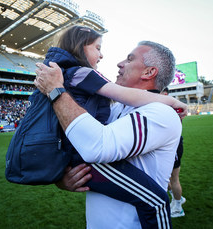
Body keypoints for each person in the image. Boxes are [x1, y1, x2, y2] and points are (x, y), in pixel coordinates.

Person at [35, 38, 185, 228]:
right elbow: (77, 146)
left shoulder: (161, 113)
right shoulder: (115, 109)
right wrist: (62, 178)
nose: (119, 63)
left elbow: (97, 147)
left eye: (130, 59)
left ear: (149, 72)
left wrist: (55, 90)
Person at [161, 87, 186, 218]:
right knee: (166, 179)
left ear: (164, 93)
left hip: (174, 146)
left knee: (174, 179)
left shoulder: (171, 107)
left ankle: (178, 207)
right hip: (169, 145)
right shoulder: (168, 106)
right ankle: (177, 199)